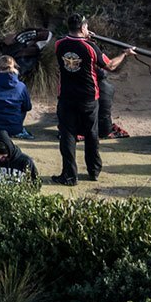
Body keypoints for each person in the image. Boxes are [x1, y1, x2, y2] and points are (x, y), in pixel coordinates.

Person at [52, 14, 133, 185]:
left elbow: (76, 47)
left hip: (66, 97)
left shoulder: (59, 44)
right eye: (86, 27)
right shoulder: (90, 47)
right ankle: (94, 170)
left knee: (68, 136)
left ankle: (69, 175)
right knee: (91, 134)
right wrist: (124, 54)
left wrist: (87, 39)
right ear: (82, 28)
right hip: (88, 98)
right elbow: (110, 65)